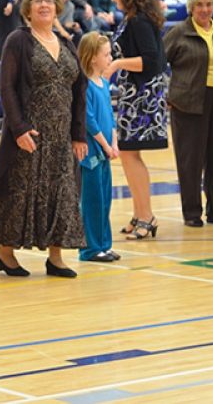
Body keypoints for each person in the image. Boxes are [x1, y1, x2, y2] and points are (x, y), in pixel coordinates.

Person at [0, 0, 87, 277]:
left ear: (58, 7)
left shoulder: (67, 42)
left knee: (62, 194)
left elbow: (80, 91)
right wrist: (19, 129)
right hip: (30, 135)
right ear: (28, 8)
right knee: (20, 193)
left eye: (49, 0)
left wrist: (79, 134)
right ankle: (5, 253)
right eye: (37, 0)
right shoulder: (18, 40)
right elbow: (7, 88)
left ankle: (56, 257)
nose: (44, 4)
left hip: (62, 137)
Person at [102, 0, 168, 240]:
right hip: (132, 95)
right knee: (128, 155)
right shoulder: (133, 17)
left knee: (131, 154)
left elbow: (152, 60)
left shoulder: (140, 20)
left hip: (143, 97)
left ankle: (147, 215)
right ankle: (140, 213)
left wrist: (117, 63)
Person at [164, 0, 213, 229]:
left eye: (209, 5)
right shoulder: (178, 32)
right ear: (190, 7)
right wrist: (169, 92)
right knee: (190, 159)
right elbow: (159, 62)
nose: (205, 10)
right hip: (187, 102)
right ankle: (192, 211)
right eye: (199, 5)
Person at [77, 31, 120, 262]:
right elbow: (89, 120)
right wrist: (105, 145)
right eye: (106, 54)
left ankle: (104, 244)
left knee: (105, 200)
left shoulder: (104, 83)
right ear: (93, 57)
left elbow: (110, 117)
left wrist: (114, 143)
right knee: (92, 201)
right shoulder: (85, 85)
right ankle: (90, 249)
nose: (110, 58)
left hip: (105, 151)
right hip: (92, 153)